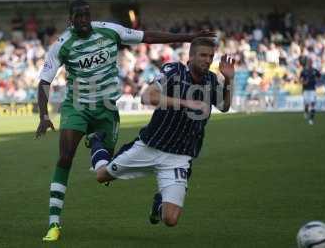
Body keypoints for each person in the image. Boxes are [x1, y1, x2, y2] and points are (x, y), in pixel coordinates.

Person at [35, 0, 216, 241]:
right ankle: (54, 223)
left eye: (86, 15)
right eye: (78, 17)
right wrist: (44, 115)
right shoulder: (62, 45)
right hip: (77, 106)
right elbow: (44, 81)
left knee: (103, 173)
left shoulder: (110, 31)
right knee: (65, 156)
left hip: (107, 109)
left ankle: (97, 140)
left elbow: (147, 36)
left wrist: (188, 36)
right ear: (70, 20)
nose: (83, 20)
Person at [87, 37, 234, 227]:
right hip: (149, 146)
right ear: (190, 57)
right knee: (101, 176)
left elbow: (224, 106)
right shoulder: (173, 70)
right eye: (203, 55)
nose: (207, 60)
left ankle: (159, 203)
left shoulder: (211, 80)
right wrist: (185, 103)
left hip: (179, 157)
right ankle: (97, 141)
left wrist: (229, 78)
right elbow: (147, 96)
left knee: (170, 220)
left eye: (211, 56)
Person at [300, 58, 321, 125]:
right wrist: (304, 82)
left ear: (312, 63)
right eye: (309, 62)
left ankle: (311, 119)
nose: (310, 63)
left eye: (311, 62)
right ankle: (306, 111)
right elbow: (300, 79)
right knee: (306, 103)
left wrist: (317, 81)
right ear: (307, 63)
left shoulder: (314, 70)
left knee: (312, 103)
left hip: (312, 89)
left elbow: (319, 76)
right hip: (305, 89)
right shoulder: (303, 71)